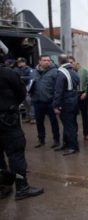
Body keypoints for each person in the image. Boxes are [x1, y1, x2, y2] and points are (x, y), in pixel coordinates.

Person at [0, 42, 44, 200]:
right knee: (16, 153)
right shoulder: (7, 73)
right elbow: (21, 93)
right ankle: (22, 187)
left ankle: (3, 187)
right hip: (7, 121)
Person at [30, 55, 60, 148]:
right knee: (39, 122)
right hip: (37, 101)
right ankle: (41, 140)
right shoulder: (34, 72)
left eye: (48, 60)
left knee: (53, 122)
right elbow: (30, 84)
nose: (47, 62)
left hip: (50, 101)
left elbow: (57, 88)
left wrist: (56, 102)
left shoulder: (55, 72)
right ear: (40, 61)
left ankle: (56, 140)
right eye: (44, 60)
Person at [52, 54, 80, 156]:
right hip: (74, 101)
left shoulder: (61, 73)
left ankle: (73, 146)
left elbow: (58, 91)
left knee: (69, 125)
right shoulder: (73, 71)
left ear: (59, 61)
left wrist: (56, 105)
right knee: (70, 124)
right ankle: (67, 143)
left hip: (66, 102)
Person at [68, 56, 88, 141]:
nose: (70, 64)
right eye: (68, 63)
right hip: (73, 95)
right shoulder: (69, 72)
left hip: (83, 94)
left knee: (85, 115)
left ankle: (86, 134)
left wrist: (86, 92)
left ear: (75, 62)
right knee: (73, 115)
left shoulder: (83, 71)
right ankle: (75, 132)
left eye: (71, 62)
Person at [16, 57, 35, 124]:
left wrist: (20, 78)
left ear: (24, 62)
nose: (18, 63)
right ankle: (28, 117)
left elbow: (31, 77)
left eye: (19, 62)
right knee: (25, 104)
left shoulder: (29, 69)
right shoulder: (18, 69)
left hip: (28, 88)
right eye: (18, 62)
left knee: (30, 104)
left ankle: (33, 118)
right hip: (21, 88)